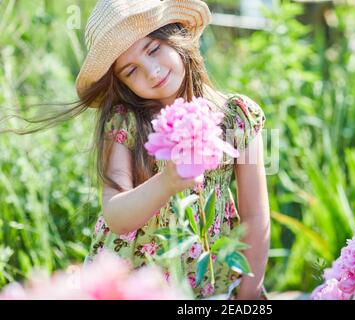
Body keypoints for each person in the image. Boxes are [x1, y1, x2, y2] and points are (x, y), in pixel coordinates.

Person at [75, 0, 272, 299]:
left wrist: (247, 296)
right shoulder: (123, 121)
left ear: (177, 36)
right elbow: (115, 214)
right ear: (122, 83)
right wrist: (167, 181)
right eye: (131, 70)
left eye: (153, 49)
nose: (152, 72)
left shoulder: (240, 116)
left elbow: (256, 217)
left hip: (208, 284)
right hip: (135, 282)